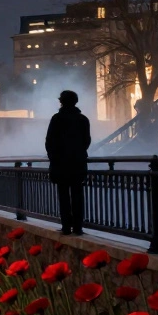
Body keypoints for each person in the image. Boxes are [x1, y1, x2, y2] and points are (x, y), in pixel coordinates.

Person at [45, 90, 92, 235]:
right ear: (75, 102)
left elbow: (49, 141)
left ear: (61, 102)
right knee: (78, 195)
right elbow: (86, 141)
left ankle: (66, 226)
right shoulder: (83, 119)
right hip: (77, 164)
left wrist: (54, 157)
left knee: (63, 196)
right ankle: (78, 227)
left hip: (60, 165)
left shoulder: (57, 119)